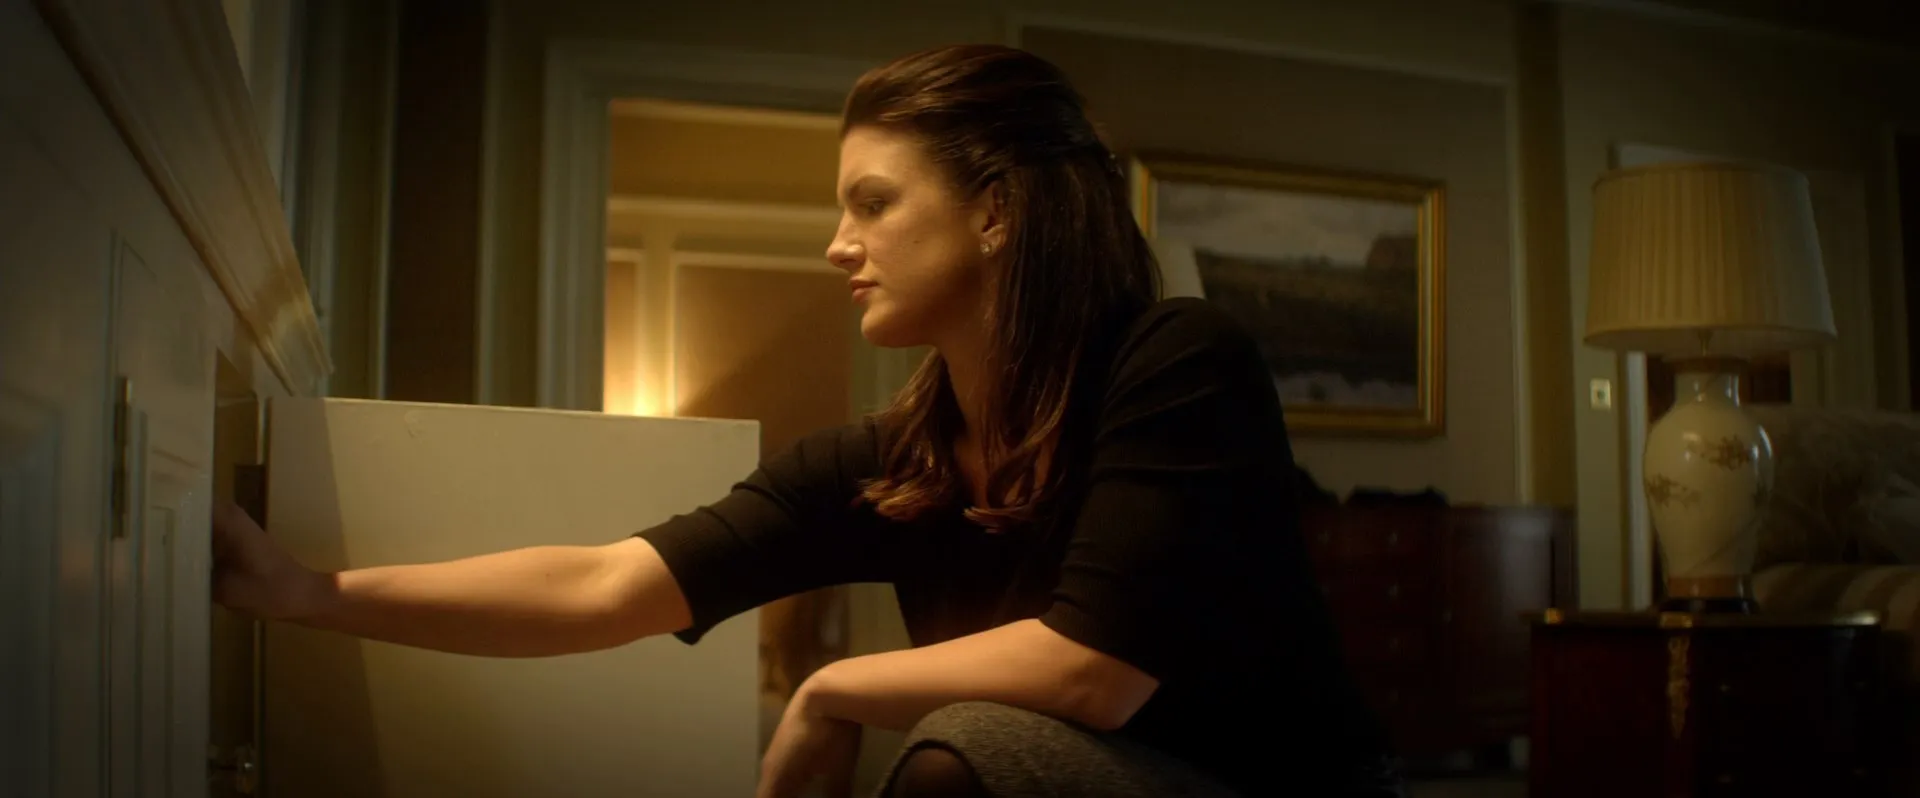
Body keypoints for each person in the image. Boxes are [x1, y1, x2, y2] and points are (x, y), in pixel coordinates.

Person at [211, 43, 1406, 798]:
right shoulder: (894, 460)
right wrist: (307, 592)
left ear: (996, 211)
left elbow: (1091, 673)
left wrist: (831, 689)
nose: (838, 245)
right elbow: (604, 585)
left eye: (872, 204)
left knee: (957, 755)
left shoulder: (1178, 362)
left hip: (1262, 785)